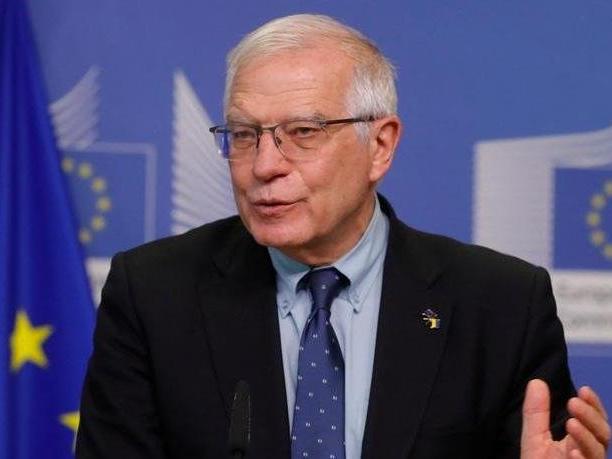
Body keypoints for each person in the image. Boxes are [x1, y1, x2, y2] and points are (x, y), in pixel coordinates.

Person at [76, 14, 610, 459]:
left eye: (302, 133)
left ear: (380, 145)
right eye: (243, 135)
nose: (264, 165)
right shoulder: (154, 294)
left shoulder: (501, 304)